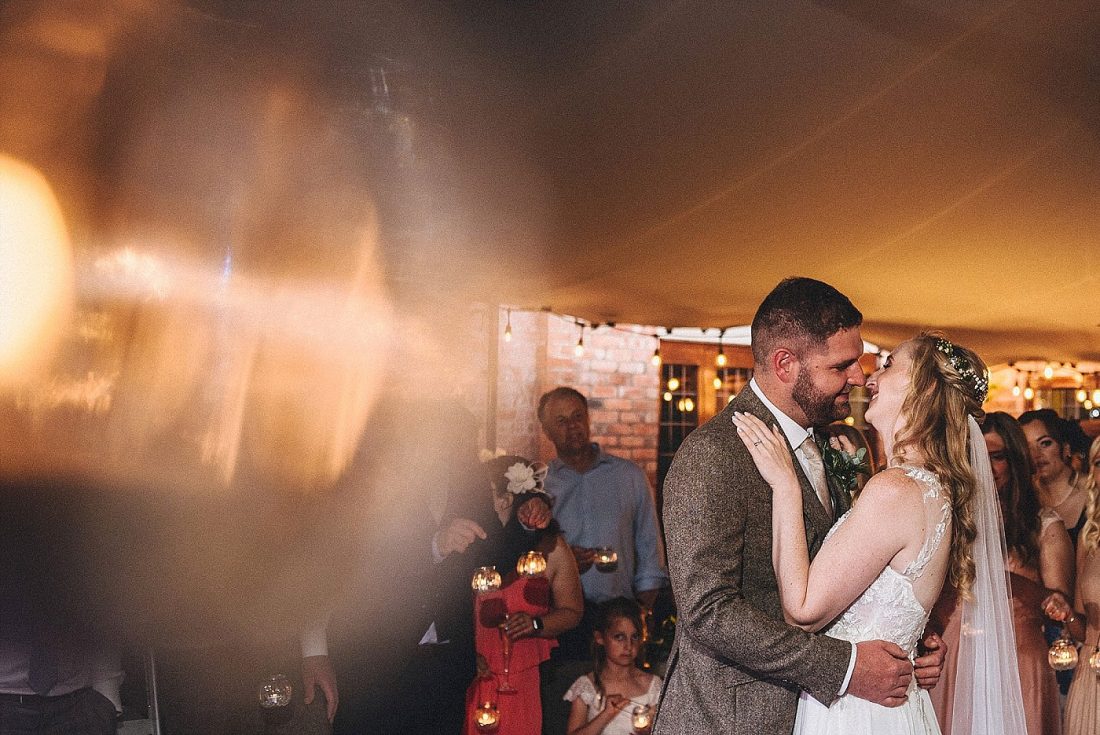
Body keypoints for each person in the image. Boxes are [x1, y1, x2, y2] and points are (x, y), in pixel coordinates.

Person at [654, 277, 947, 735]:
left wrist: (907, 640)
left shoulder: (842, 443)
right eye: (841, 365)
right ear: (785, 364)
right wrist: (847, 666)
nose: (857, 377)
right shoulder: (714, 455)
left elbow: (852, 573)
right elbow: (707, 610)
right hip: (735, 717)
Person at [732, 330, 1026, 733]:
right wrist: (924, 641)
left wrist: (786, 486)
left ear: (922, 391)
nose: (869, 376)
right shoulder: (931, 489)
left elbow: (802, 612)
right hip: (892, 710)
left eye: (888, 366)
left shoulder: (896, 490)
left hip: (857, 713)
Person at [929, 411, 1071, 735]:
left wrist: (1009, 583)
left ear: (1016, 461)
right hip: (958, 656)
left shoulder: (1043, 526)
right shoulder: (951, 519)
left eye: (997, 457)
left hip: (1018, 661)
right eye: (977, 455)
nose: (986, 466)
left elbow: (1059, 607)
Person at [538, 387, 668, 732]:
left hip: (618, 613)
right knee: (562, 706)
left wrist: (644, 611)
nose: (572, 427)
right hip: (560, 617)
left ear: (589, 419)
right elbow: (531, 557)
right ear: (547, 431)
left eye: (578, 417)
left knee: (622, 708)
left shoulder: (628, 476)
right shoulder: (541, 485)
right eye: (561, 421)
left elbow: (649, 548)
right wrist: (565, 564)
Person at [461, 456, 583, 735]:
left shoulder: (550, 547)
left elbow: (573, 611)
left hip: (524, 678)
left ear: (505, 499)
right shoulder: (470, 541)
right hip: (473, 674)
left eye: (485, 491)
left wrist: (536, 624)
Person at [1042, 434, 1100, 735]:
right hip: (1091, 678)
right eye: (1099, 463)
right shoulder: (1089, 537)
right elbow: (1080, 627)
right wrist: (1067, 614)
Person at [564, 598, 661, 735]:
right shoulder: (587, 686)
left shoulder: (652, 685)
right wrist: (606, 715)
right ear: (600, 638)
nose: (628, 646)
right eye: (619, 637)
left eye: (634, 637)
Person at [1019, 409, 1089, 544]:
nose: (1036, 454)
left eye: (1045, 443)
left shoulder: (1093, 490)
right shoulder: (1023, 498)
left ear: (1066, 448)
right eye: (1027, 448)